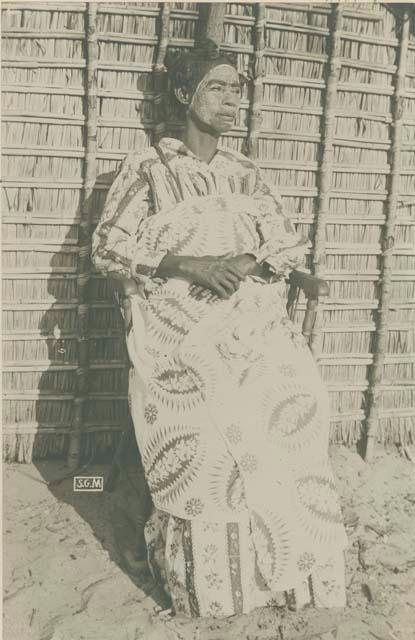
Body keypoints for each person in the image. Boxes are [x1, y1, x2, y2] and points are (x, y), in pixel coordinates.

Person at [91, 40, 348, 619]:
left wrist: (253, 264)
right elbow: (108, 247)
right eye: (218, 87)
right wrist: (189, 266)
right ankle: (205, 575)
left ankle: (283, 571)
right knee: (207, 410)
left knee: (294, 398)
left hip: (248, 313)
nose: (233, 100)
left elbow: (283, 242)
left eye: (238, 89)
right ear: (184, 94)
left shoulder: (245, 173)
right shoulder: (149, 168)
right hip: (176, 315)